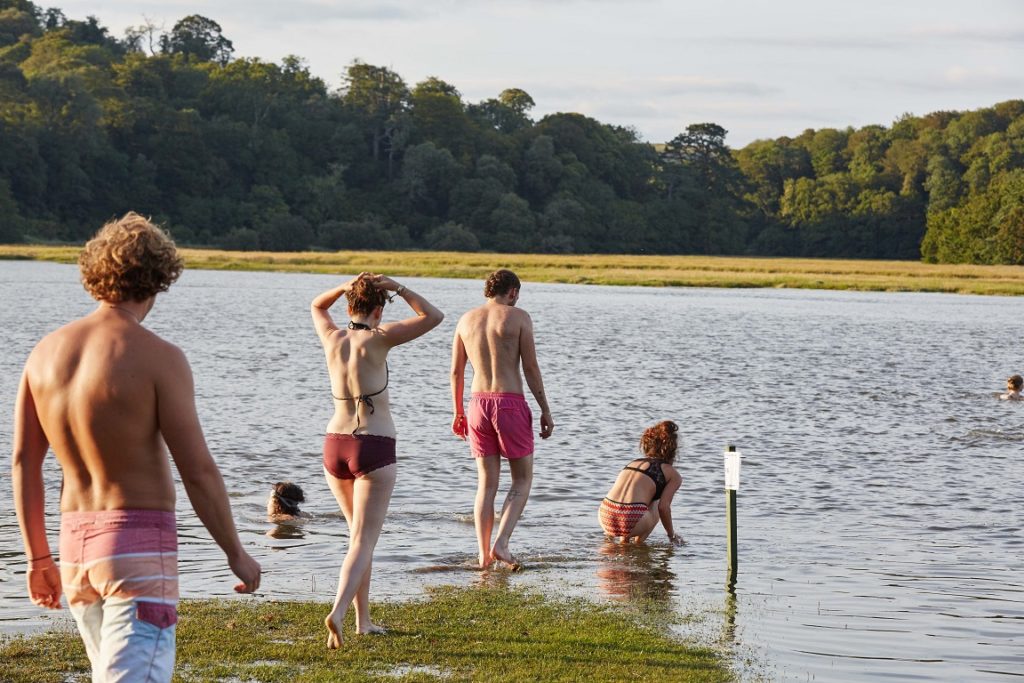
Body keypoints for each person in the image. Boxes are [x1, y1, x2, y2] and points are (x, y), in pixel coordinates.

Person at [12, 212, 261, 682]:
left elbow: (25, 463)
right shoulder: (159, 358)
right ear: (159, 278)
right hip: (135, 549)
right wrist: (235, 552)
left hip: (74, 552)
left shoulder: (44, 352)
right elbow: (198, 471)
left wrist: (37, 558)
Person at [312, 272, 443, 649]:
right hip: (374, 444)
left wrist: (344, 286)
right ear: (377, 309)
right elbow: (433, 316)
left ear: (350, 305)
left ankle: (363, 621)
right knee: (364, 541)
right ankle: (337, 612)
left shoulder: (332, 337)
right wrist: (397, 287)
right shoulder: (381, 337)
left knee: (357, 539)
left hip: (334, 445)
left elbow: (317, 305)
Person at [450, 269, 554, 569]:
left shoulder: (465, 320)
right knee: (522, 479)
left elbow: (456, 372)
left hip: (477, 404)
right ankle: (502, 544)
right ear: (512, 292)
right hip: (509, 403)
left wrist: (457, 410)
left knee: (486, 483)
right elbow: (531, 368)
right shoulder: (519, 317)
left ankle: (483, 556)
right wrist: (545, 409)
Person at [599, 421, 685, 546]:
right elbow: (663, 508)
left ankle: (624, 542)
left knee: (639, 500)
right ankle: (638, 543)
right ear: (673, 449)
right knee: (655, 504)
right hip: (631, 522)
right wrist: (671, 535)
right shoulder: (672, 474)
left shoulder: (633, 463)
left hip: (605, 515)